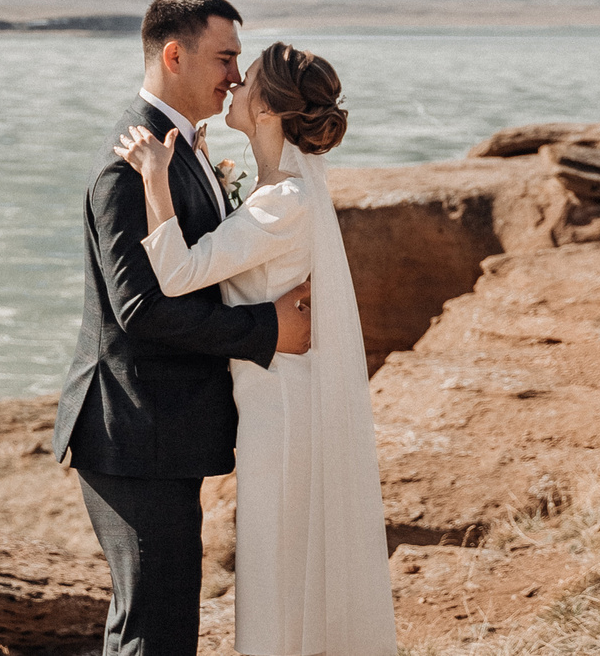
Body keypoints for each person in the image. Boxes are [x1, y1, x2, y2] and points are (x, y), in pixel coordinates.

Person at [114, 39, 398, 656]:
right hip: (272, 398)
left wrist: (156, 180)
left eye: (248, 82)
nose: (235, 84)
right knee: (281, 556)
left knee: (274, 565)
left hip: (283, 408)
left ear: (269, 111)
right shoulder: (276, 191)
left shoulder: (284, 201)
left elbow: (180, 276)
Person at [55, 0, 314, 656]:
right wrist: (266, 330)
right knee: (155, 629)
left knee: (159, 622)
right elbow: (139, 308)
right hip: (133, 428)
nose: (236, 72)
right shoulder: (128, 165)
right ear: (175, 53)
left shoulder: (184, 150)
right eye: (225, 56)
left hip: (162, 429)